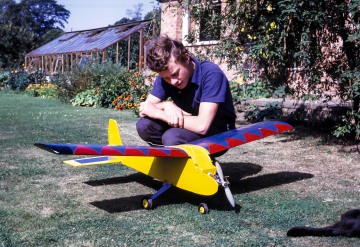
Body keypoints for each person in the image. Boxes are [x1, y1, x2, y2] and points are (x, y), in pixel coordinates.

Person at [136, 34, 236, 146]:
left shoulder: (211, 73)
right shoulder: (166, 75)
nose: (173, 81)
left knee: (172, 136)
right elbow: (145, 108)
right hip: (188, 125)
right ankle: (171, 155)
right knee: (144, 126)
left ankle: (182, 155)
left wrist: (159, 113)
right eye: (167, 78)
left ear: (186, 58)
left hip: (219, 131)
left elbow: (202, 126)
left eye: (175, 74)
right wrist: (166, 105)